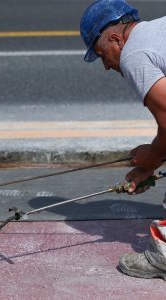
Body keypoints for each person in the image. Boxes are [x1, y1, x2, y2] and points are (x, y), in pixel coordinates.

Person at [80, 0, 166, 279]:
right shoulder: (157, 31)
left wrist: (152, 156)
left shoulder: (134, 54)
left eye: (102, 54)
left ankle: (163, 255)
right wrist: (151, 163)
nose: (105, 65)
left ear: (116, 38)